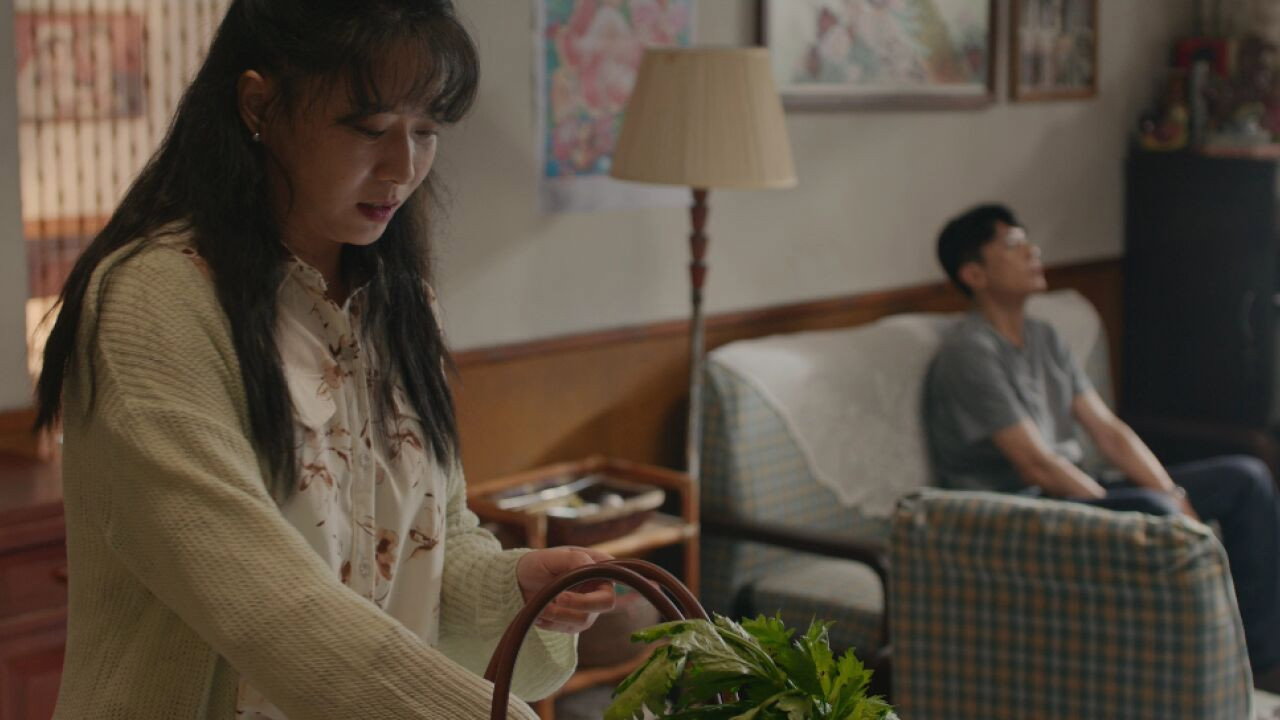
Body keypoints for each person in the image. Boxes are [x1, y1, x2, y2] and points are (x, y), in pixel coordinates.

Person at [33, 2, 615, 718]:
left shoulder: (400, 303)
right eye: (369, 128)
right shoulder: (155, 301)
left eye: (426, 130)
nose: (404, 167)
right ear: (259, 105)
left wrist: (513, 587)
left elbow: (425, 541)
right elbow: (257, 593)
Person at [923, 203, 1280, 692]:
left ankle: (1259, 661)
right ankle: (1187, 670)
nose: (1033, 251)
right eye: (1013, 244)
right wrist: (1138, 508)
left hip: (1071, 491)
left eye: (1028, 240)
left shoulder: (1044, 336)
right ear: (974, 274)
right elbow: (1035, 464)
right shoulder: (970, 352)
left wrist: (1171, 493)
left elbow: (1108, 430)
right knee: (1154, 513)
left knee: (1245, 478)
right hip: (1014, 511)